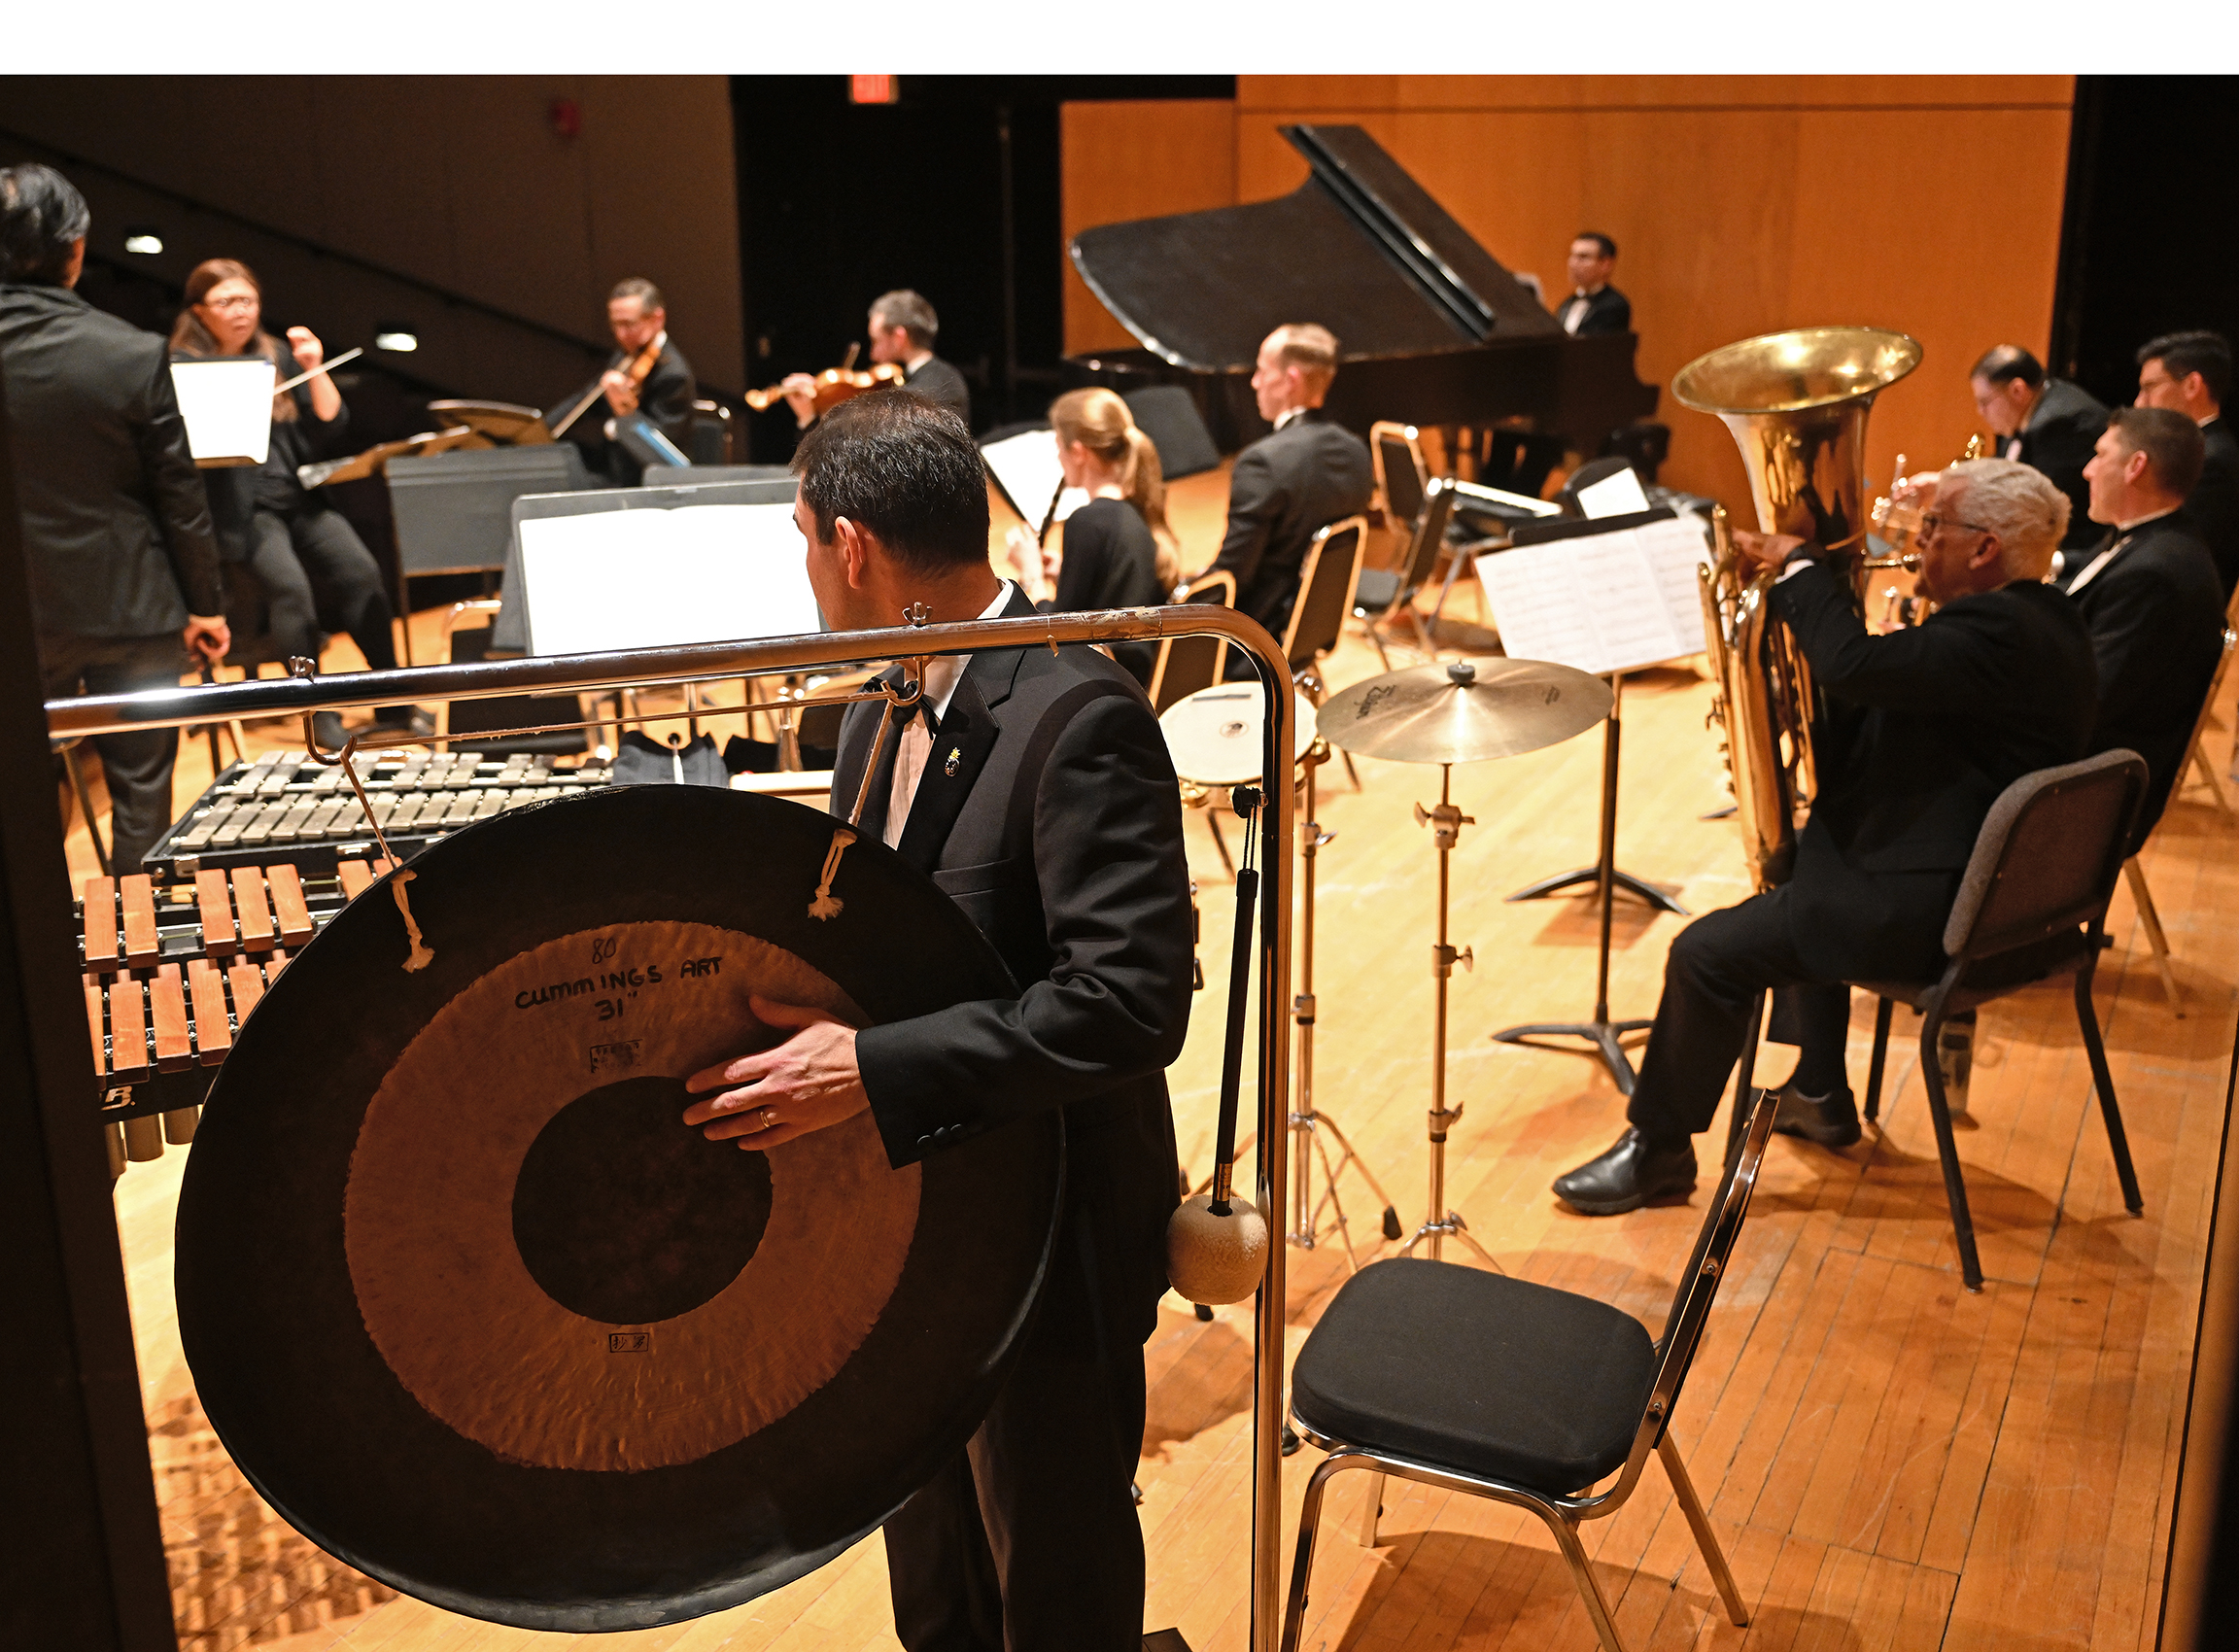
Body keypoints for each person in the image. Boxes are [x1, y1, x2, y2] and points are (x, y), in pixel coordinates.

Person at [680, 391, 1192, 1651]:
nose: (804, 572)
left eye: (803, 541)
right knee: (942, 1585)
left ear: (852, 545)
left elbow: (1129, 1005)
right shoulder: (873, 711)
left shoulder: (1081, 715)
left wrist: (866, 1064)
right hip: (909, 1232)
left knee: (1057, 1584)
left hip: (1054, 1238)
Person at [1551, 459, 2096, 1213]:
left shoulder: (1996, 632)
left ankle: (1659, 1153)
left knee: (1706, 954)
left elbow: (1854, 665)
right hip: (1991, 894)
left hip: (1932, 912)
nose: (1921, 538)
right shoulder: (2047, 623)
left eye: (1936, 525)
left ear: (1985, 551)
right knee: (1797, 877)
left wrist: (1803, 569)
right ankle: (1816, 1089)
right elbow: (1901, 700)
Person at [2, 162, 228, 874]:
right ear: (76, 249)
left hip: (21, 616)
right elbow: (179, 495)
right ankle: (132, 942)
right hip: (134, 604)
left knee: (22, 791)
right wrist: (207, 608)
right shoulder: (131, 353)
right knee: (140, 787)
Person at [169, 258, 425, 742]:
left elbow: (331, 422)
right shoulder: (183, 365)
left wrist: (311, 367)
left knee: (362, 575)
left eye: (248, 300)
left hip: (299, 499)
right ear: (201, 312)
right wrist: (238, 398)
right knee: (293, 596)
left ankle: (390, 697)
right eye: (226, 302)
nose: (241, 311)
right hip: (243, 512)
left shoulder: (276, 354)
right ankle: (317, 710)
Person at [2069, 405, 2224, 848]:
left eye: (2100, 455)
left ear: (2136, 467)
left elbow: (2089, 700)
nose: (2087, 470)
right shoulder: (2160, 539)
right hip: (2093, 762)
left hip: (2091, 791)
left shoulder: (2155, 574)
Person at [1199, 323, 1373, 644]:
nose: (1254, 382)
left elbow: (1232, 577)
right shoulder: (1357, 450)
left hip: (1254, 640)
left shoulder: (1263, 462)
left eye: (1262, 371)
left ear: (1291, 380)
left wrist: (1181, 597)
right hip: (1312, 630)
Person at [1004, 387, 1180, 687]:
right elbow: (1112, 594)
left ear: (1079, 452)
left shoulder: (1088, 521)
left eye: (1058, 445)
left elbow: (1058, 633)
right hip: (1135, 675)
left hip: (1105, 684)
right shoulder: (1133, 508)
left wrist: (1031, 574)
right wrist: (1065, 572)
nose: (1058, 457)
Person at [556, 276, 696, 486]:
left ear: (657, 319)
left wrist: (627, 415)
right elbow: (586, 400)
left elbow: (664, 452)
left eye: (628, 324)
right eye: (615, 325)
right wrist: (541, 432)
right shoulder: (625, 356)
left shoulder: (673, 374)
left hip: (645, 480)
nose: (620, 335)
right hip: (614, 468)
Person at [2134, 329, 2239, 601]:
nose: (2139, 402)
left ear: (2192, 385)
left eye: (2149, 388)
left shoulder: (2212, 461)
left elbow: (2171, 552)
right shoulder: (2199, 452)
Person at [1971, 344, 2106, 553]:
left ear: (2018, 390)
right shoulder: (2026, 414)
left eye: (1984, 402)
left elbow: (2038, 508)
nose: (1980, 412)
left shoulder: (2059, 423)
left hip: (2071, 552)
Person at [784, 290, 970, 432]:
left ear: (898, 337)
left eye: (875, 341)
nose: (872, 355)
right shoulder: (910, 379)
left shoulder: (939, 383)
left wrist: (812, 419)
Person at [1554, 232, 1631, 337]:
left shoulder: (1615, 305)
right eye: (1572, 256)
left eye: (1583, 257)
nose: (1573, 263)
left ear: (1605, 264)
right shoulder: (1566, 304)